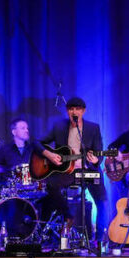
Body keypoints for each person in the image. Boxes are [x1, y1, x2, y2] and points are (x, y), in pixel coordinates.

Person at [32, 97, 108, 242]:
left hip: (87, 169)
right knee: (51, 185)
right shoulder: (59, 126)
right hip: (67, 170)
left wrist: (97, 160)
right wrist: (49, 154)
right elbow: (37, 142)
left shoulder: (93, 128)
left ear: (83, 111)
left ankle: (99, 240)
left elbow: (99, 151)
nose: (74, 112)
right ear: (67, 111)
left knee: (102, 200)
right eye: (71, 109)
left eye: (77, 109)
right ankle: (68, 215)